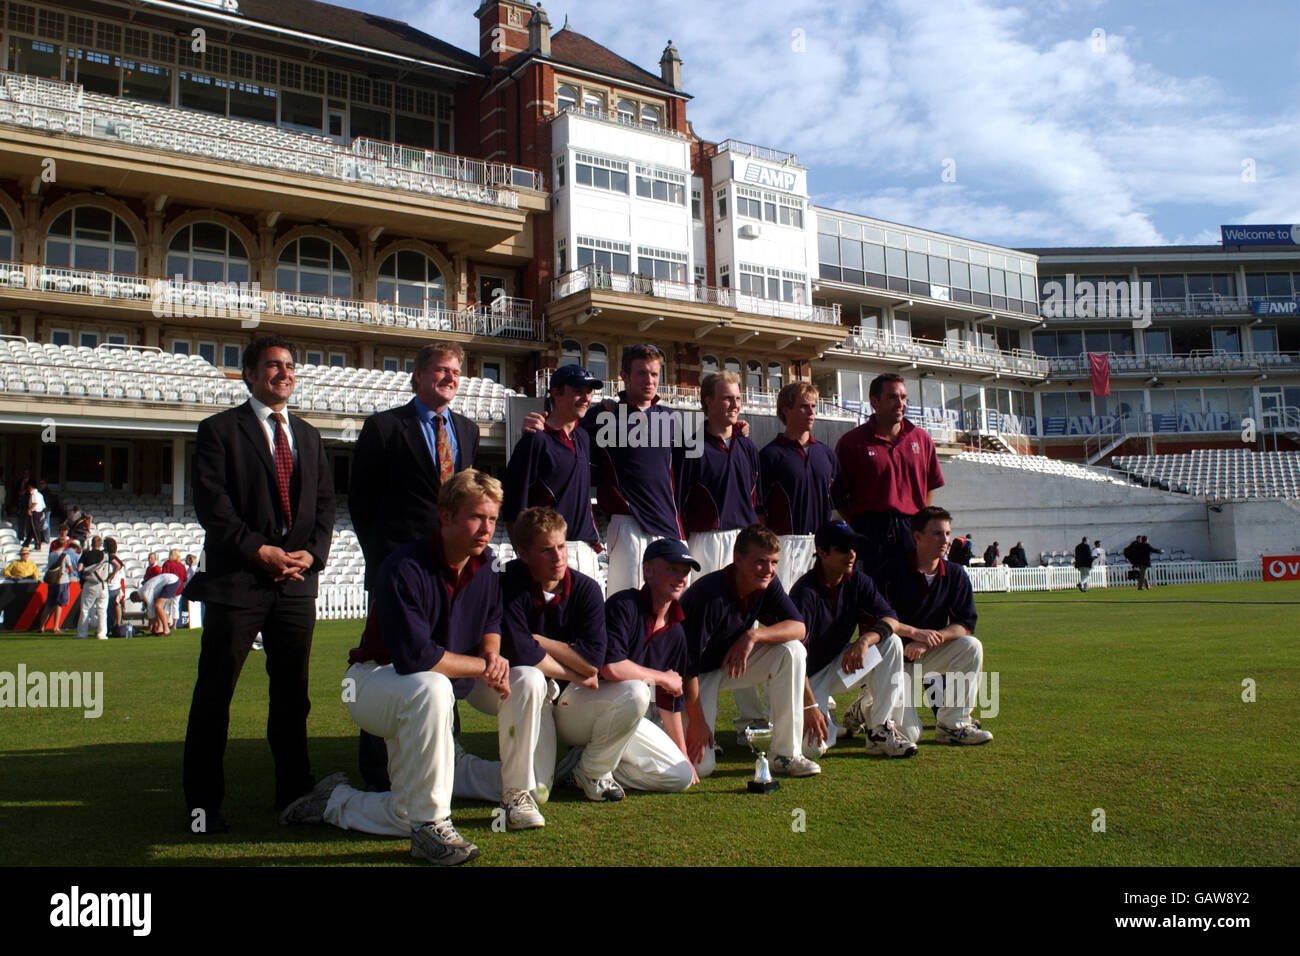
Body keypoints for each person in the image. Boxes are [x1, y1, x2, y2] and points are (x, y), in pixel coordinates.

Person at [296, 469, 548, 858]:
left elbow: (491, 619)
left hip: (438, 681)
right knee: (432, 689)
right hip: (375, 681)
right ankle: (422, 824)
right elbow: (418, 659)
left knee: (529, 678)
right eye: (476, 517)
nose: (487, 528)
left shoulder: (487, 565)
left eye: (493, 519)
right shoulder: (404, 567)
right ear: (445, 516)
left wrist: (494, 654)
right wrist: (483, 667)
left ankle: (515, 794)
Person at [181, 335, 337, 835]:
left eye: (290, 365)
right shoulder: (218, 431)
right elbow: (214, 507)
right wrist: (259, 551)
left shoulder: (310, 436)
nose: (284, 373)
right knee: (215, 695)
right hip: (238, 582)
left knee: (293, 696)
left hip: (295, 584)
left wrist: (310, 555)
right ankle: (202, 805)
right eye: (273, 366)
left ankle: (294, 794)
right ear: (249, 374)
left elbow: (326, 506)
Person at [349, 342, 480, 790]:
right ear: (418, 376)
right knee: (389, 660)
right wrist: (387, 567)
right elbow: (362, 505)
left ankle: (446, 757)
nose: (450, 378)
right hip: (399, 572)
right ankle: (377, 769)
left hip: (449, 572)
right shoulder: (385, 428)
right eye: (441, 370)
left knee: (444, 656)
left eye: (456, 372)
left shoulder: (467, 429)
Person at [499, 507, 638, 803]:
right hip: (522, 690)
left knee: (637, 694)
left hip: (572, 698)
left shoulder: (585, 588)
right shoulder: (508, 583)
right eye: (546, 550)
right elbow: (520, 651)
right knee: (539, 792)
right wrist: (573, 672)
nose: (559, 557)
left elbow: (593, 662)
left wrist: (540, 641)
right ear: (523, 554)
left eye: (561, 546)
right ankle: (461, 772)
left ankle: (590, 768)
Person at [532, 344, 684, 594]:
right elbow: (562, 423)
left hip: (668, 525)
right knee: (626, 605)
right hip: (628, 526)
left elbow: (686, 474)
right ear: (624, 376)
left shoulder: (670, 419)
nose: (649, 381)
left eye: (655, 374)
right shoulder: (602, 417)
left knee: (671, 610)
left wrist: (737, 430)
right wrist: (539, 420)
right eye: (641, 373)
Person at [680, 524, 819, 779]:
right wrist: (698, 723)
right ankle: (658, 723)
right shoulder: (710, 594)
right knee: (701, 767)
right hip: (692, 677)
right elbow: (686, 667)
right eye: (760, 562)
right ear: (738, 559)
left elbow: (798, 627)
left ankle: (785, 755)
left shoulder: (768, 582)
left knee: (793, 651)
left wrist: (753, 635)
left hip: (727, 664)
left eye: (774, 562)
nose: (769, 570)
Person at [852, 505, 992, 746]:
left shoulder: (956, 574)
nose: (945, 540)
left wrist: (929, 640)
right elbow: (880, 622)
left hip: (925, 653)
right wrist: (915, 636)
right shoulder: (891, 571)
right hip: (892, 660)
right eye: (937, 533)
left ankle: (953, 725)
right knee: (910, 734)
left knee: (971, 646)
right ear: (917, 537)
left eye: (948, 533)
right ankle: (865, 707)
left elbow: (965, 623)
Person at [790, 521, 912, 759]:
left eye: (854, 547)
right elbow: (795, 658)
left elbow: (891, 619)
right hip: (803, 679)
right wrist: (810, 707)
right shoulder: (806, 593)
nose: (852, 554)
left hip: (838, 665)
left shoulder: (858, 581)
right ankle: (832, 720)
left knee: (891, 643)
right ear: (822, 553)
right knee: (811, 749)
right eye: (843, 548)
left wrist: (865, 640)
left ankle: (879, 730)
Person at [599, 539, 699, 793]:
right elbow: (610, 668)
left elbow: (670, 702)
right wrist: (663, 678)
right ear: (648, 571)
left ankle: (595, 766)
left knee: (682, 774)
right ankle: (596, 764)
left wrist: (683, 754)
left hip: (629, 715)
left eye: (684, 572)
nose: (681, 578)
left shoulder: (676, 631)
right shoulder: (624, 605)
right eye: (672, 569)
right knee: (638, 691)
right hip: (591, 706)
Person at [833, 373, 945, 581]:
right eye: (893, 397)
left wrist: (918, 519)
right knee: (869, 598)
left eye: (903, 397)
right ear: (874, 402)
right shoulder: (852, 442)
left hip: (910, 530)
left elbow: (930, 484)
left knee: (911, 597)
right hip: (870, 531)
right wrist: (858, 523)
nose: (900, 403)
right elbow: (838, 494)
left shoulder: (922, 439)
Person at [502, 365, 602, 579]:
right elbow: (513, 507)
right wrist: (526, 558)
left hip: (584, 550)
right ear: (555, 392)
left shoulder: (583, 437)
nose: (586, 397)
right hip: (548, 553)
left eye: (589, 391)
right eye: (578, 390)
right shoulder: (535, 439)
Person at [757, 381, 840, 586]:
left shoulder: (827, 454)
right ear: (786, 410)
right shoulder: (770, 455)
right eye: (804, 406)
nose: (811, 412)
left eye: (813, 406)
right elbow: (759, 508)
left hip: (821, 545)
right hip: (784, 544)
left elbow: (836, 502)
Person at [32, 537, 76, 632]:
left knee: (48, 604)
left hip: (52, 581)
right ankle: (56, 627)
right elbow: (71, 569)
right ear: (65, 545)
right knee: (58, 604)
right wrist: (69, 571)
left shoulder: (51, 554)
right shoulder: (65, 556)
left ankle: (41, 626)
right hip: (62, 580)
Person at [75, 535, 110, 640]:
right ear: (100, 545)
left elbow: (79, 568)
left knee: (85, 609)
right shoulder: (105, 555)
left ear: (92, 544)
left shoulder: (86, 554)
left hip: (89, 584)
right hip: (102, 584)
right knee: (102, 610)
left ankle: (82, 634)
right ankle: (101, 634)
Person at [104, 538, 127, 636]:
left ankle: (111, 628)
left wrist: (111, 576)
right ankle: (114, 626)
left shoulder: (110, 557)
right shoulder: (115, 557)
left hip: (112, 586)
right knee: (113, 607)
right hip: (116, 585)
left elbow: (118, 567)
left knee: (110, 609)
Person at [21, 478, 47, 549]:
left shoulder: (34, 494)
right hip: (40, 512)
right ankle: (27, 543)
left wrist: (30, 510)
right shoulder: (39, 494)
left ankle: (38, 543)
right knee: (32, 528)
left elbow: (35, 503)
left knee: (35, 528)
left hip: (35, 512)